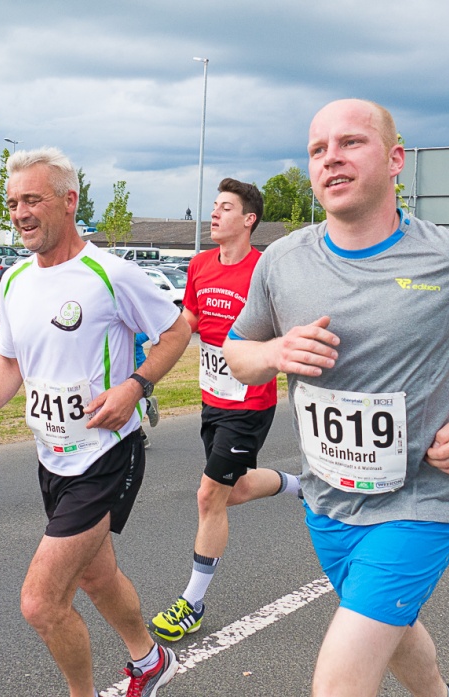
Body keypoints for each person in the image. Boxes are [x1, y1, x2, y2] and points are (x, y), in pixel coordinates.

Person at [223, 99, 449, 697]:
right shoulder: (282, 260)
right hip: (327, 502)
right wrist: (274, 355)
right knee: (393, 628)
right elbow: (236, 353)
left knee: (340, 681)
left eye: (351, 143)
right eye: (318, 150)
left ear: (396, 159)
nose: (331, 160)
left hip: (418, 504)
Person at [0, 148, 190, 696]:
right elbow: (10, 361)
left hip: (106, 454)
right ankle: (150, 659)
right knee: (95, 574)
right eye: (13, 202)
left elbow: (177, 330)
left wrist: (136, 386)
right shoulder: (13, 281)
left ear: (69, 200)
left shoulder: (110, 274)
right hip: (52, 455)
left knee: (41, 603)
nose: (19, 213)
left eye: (32, 199)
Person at [151, 178, 301, 642]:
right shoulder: (199, 264)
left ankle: (191, 604)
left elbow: (286, 330)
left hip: (249, 402)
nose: (214, 214)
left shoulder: (265, 270)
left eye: (225, 208)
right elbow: (192, 319)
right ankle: (301, 485)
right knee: (230, 492)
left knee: (208, 496)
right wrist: (157, 337)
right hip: (212, 399)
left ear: (248, 219)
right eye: (213, 206)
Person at [133, 332, 161, 448]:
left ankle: (147, 405)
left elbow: (148, 333)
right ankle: (140, 436)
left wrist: (130, 338)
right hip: (116, 366)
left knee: (126, 401)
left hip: (137, 367)